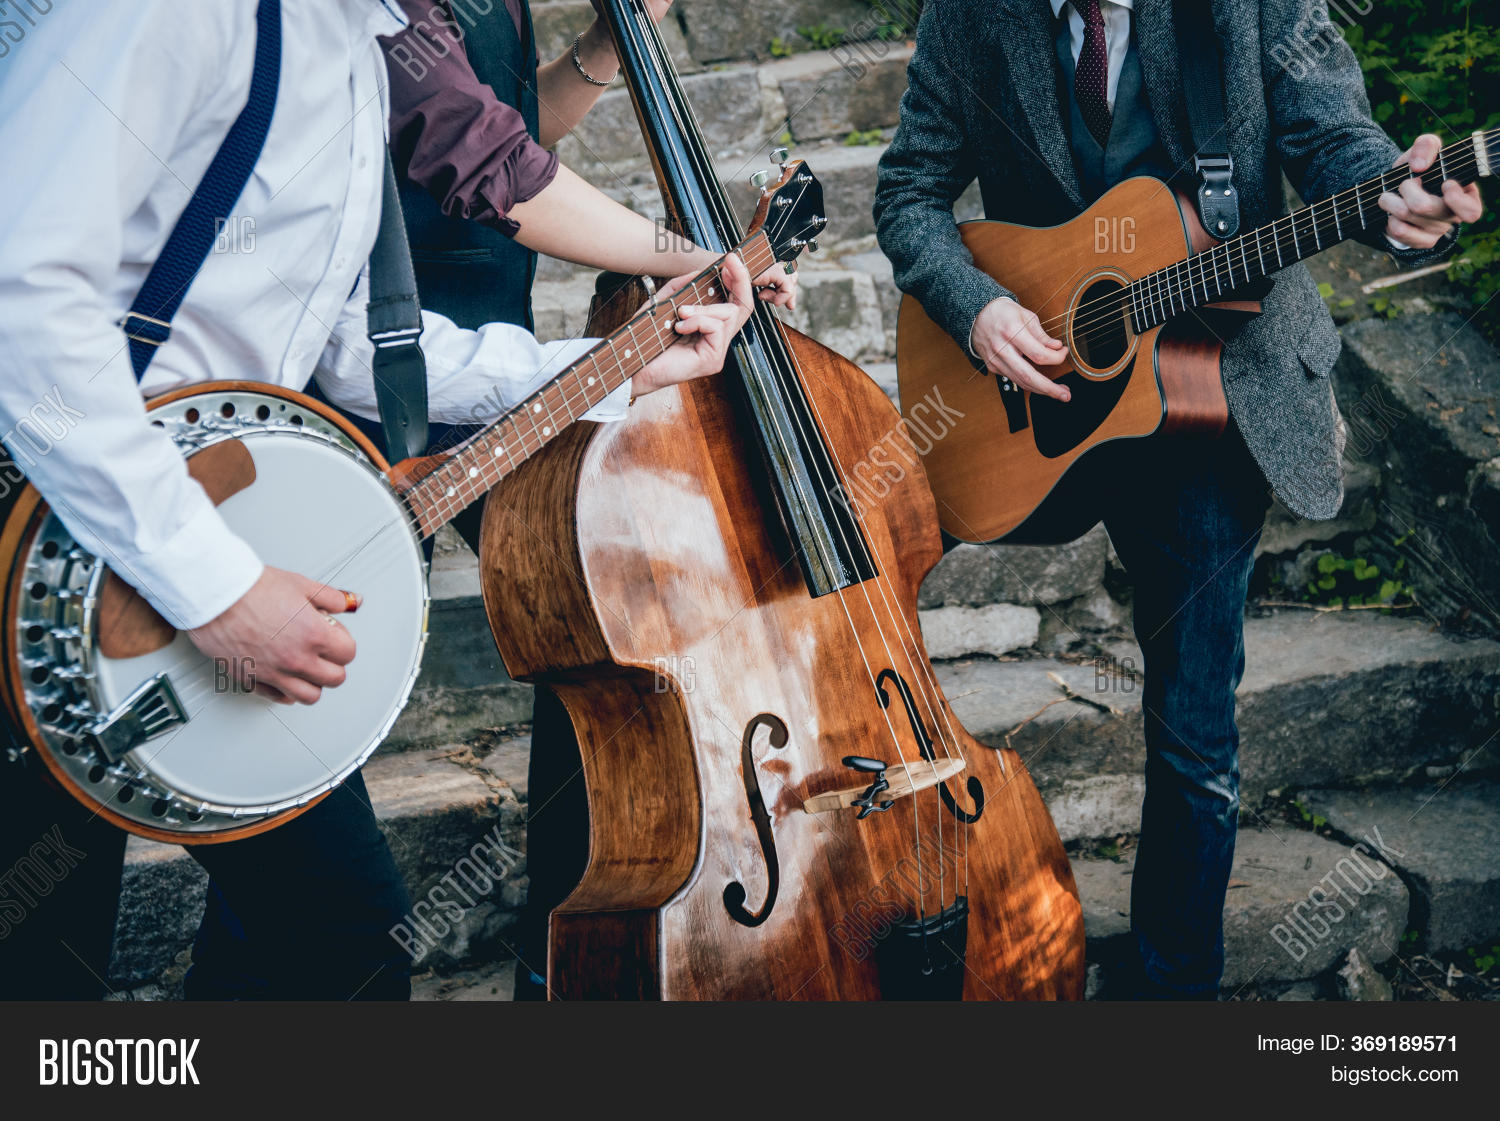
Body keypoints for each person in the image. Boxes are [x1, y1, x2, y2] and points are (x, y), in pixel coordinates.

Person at [0, 0, 753, 1000]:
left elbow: (354, 346)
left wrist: (608, 365)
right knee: (40, 960)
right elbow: (19, 289)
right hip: (51, 536)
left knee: (337, 950)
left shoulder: (355, 46)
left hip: (193, 543)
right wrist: (217, 586)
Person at [874, 0, 1482, 999]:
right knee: (866, 563)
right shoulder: (976, 12)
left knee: (1196, 733)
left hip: (1215, 393)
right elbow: (909, 190)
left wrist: (1395, 207)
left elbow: (1336, 143)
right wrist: (975, 305)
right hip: (1038, 394)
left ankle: (1175, 997)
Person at [377, 0, 796, 999]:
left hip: (511, 367)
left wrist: (605, 48)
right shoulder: (370, 17)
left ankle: (568, 947)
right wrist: (673, 254)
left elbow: (520, 126)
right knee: (343, 682)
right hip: (398, 365)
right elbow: (483, 160)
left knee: (596, 624)